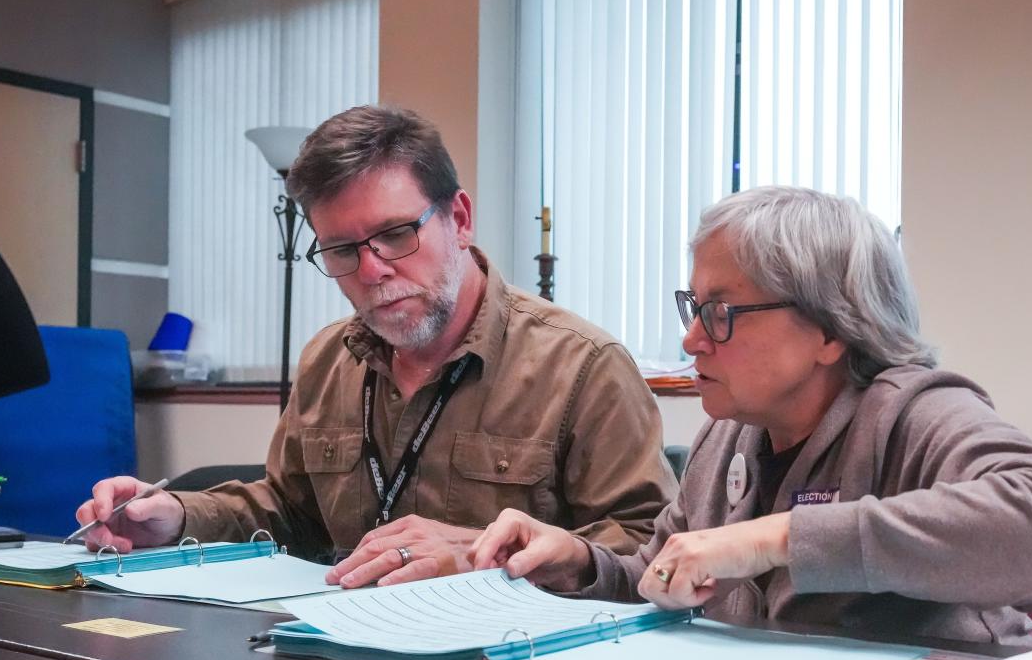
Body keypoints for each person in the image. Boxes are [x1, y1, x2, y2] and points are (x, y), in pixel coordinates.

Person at [472, 186, 1032, 646]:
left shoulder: (917, 412)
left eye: (721, 312)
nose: (692, 339)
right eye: (693, 306)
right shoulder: (729, 432)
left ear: (830, 329)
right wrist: (580, 563)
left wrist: (775, 538)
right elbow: (665, 574)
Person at [76, 105, 677, 584]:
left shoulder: (581, 367)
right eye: (341, 250)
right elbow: (290, 512)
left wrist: (484, 556)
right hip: (344, 659)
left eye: (394, 235)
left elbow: (652, 552)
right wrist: (178, 518)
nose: (371, 271)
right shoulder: (328, 359)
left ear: (460, 220)